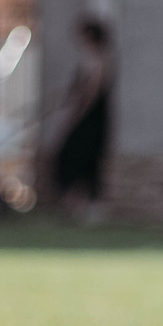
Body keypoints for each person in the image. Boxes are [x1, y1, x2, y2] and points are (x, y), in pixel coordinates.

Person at [50, 17, 112, 214]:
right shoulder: (88, 61)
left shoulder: (99, 61)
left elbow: (91, 92)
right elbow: (76, 91)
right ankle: (77, 203)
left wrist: (78, 114)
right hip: (85, 116)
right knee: (73, 157)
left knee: (82, 157)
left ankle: (89, 205)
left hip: (91, 119)